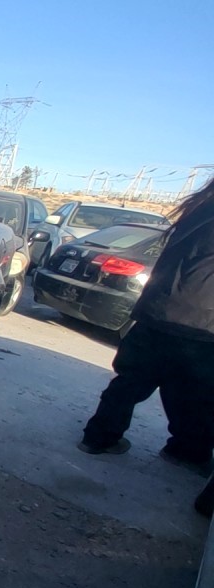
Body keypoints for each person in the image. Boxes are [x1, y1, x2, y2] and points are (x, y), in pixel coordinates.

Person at [77, 177, 214, 517]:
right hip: (200, 324)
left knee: (129, 381)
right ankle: (186, 451)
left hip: (155, 314)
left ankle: (98, 437)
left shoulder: (196, 212)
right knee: (194, 395)